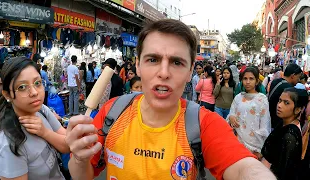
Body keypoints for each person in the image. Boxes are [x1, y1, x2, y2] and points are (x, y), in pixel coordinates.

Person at [65, 19, 276, 180]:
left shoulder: (204, 124)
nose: (164, 72)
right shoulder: (112, 112)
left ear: (190, 70)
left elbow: (244, 168)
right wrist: (79, 157)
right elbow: (82, 175)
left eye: (176, 62)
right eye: (153, 59)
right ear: (137, 65)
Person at [0, 57, 69, 179]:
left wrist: (45, 132)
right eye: (22, 87)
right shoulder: (8, 144)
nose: (34, 92)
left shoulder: (41, 110)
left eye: (37, 83)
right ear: (7, 95)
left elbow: (67, 145)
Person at [262, 87, 308, 180]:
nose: (279, 105)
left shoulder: (290, 135)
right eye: (280, 101)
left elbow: (285, 171)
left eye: (286, 103)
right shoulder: (283, 123)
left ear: (298, 109)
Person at [227, 67, 271, 160]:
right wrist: (231, 117)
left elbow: (264, 125)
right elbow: (231, 113)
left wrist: (259, 148)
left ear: (257, 81)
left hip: (254, 145)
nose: (247, 82)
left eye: (251, 79)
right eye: (245, 79)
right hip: (237, 142)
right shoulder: (238, 97)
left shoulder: (262, 99)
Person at [268, 63, 302, 129]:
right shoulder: (288, 89)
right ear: (293, 76)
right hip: (277, 122)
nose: (299, 80)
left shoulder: (275, 81)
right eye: (298, 77)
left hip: (270, 119)